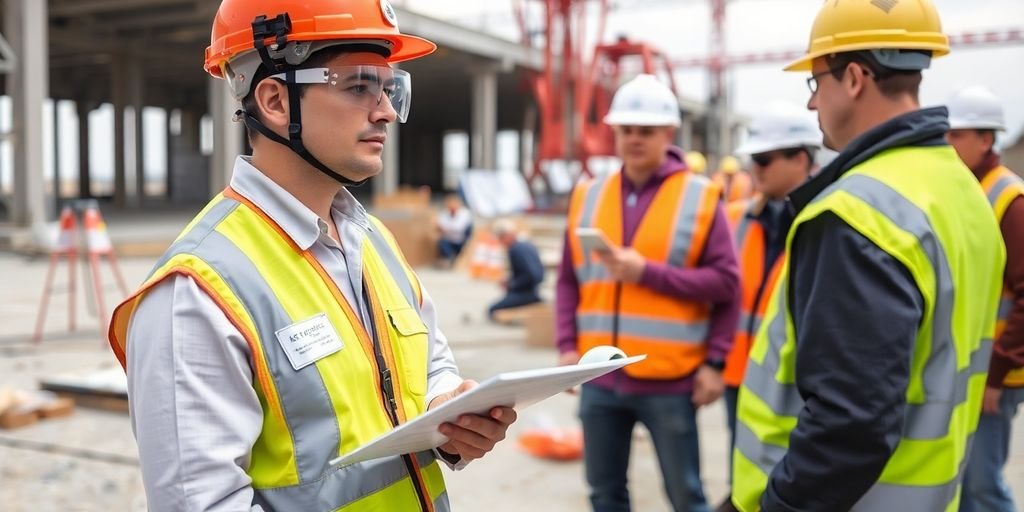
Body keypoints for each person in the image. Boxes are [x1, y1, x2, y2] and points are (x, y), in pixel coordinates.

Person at [106, 1, 516, 510]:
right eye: (359, 86)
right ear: (276, 100)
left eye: (390, 89)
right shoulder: (197, 292)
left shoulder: (374, 241)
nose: (386, 110)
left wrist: (449, 412)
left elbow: (431, 364)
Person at [731, 1, 1007, 511]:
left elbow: (849, 424)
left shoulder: (857, 213)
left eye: (816, 83)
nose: (812, 105)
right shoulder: (961, 191)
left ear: (854, 77)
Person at [556, 73, 741, 512]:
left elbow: (728, 286)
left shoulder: (700, 196)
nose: (635, 139)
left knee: (685, 495)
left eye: (646, 131)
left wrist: (715, 363)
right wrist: (566, 347)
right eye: (626, 130)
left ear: (668, 134)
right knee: (604, 495)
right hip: (598, 377)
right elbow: (568, 280)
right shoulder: (588, 194)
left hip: (670, 381)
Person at [716, 103, 821, 512]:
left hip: (796, 380)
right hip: (740, 372)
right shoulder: (736, 217)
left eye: (763, 159)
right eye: (751, 160)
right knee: (743, 469)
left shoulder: (827, 220)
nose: (753, 170)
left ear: (800, 158)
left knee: (792, 478)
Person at [946, 85, 1024, 512]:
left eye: (957, 135)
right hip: (972, 369)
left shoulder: (1010, 198)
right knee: (964, 488)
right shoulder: (972, 189)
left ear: (986, 139)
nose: (948, 143)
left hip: (996, 374)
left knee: (983, 487)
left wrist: (997, 373)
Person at [488, 219, 545, 319]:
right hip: (532, 289)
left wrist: (511, 284)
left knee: (491, 310)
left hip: (526, 292)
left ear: (506, 236)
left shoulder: (516, 249)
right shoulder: (526, 244)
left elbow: (530, 275)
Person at [436, 194, 473, 266]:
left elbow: (459, 227)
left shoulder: (465, 213)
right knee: (441, 242)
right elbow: (439, 225)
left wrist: (445, 228)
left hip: (462, 241)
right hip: (449, 240)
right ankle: (450, 258)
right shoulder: (444, 213)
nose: (451, 207)